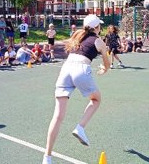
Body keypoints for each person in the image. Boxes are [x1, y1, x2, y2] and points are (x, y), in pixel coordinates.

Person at [42, 15, 110, 164]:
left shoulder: (77, 37)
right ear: (97, 27)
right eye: (100, 27)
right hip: (81, 69)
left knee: (57, 116)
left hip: (65, 69)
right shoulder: (98, 41)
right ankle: (80, 127)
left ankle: (47, 158)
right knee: (96, 99)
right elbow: (107, 63)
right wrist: (104, 69)